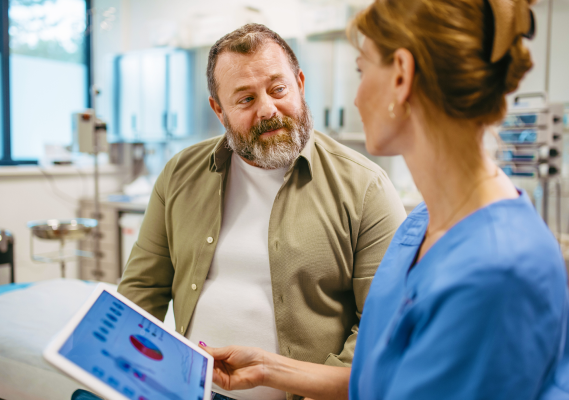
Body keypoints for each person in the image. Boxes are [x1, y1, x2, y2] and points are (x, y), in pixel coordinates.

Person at [198, 1, 569, 399]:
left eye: (362, 70)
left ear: (401, 77)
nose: (356, 97)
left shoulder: (500, 270)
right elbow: (383, 379)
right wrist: (270, 368)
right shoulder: (422, 225)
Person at [117, 24, 407, 400]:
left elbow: (383, 326)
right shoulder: (179, 174)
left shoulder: (367, 187)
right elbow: (142, 289)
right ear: (218, 110)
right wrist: (119, 369)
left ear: (300, 84)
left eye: (278, 89)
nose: (268, 109)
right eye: (245, 99)